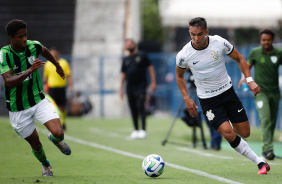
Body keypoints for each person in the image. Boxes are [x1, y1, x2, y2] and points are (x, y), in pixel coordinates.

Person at [175, 17, 270, 174]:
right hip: (208, 100)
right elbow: (179, 76)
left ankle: (228, 125)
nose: (196, 38)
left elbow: (239, 58)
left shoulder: (219, 42)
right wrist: (187, 98)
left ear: (207, 32)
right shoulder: (184, 54)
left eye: (199, 34)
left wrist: (250, 80)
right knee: (227, 132)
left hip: (227, 92)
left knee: (245, 132)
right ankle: (260, 162)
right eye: (192, 34)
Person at [0, 19, 71, 177]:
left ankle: (54, 139)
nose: (24, 39)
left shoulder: (33, 46)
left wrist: (57, 65)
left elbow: (44, 50)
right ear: (11, 37)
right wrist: (30, 70)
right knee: (36, 144)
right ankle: (45, 164)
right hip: (18, 108)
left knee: (59, 132)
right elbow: (9, 81)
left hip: (38, 100)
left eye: (25, 35)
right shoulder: (4, 54)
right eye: (20, 36)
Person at [239, 29, 282, 160]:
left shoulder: (278, 53)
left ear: (272, 40)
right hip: (260, 92)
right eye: (263, 40)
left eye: (268, 40)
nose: (266, 42)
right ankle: (269, 149)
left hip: (275, 92)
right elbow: (247, 67)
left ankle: (265, 150)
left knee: (272, 122)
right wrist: (243, 78)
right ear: (260, 40)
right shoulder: (255, 52)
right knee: (265, 118)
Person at [119, 39, 156, 139]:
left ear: (134, 45)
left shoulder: (142, 55)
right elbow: (123, 74)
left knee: (141, 107)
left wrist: (153, 82)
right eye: (127, 44)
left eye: (130, 44)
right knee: (133, 108)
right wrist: (121, 88)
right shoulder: (125, 59)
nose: (129, 46)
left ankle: (143, 130)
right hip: (130, 87)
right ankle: (136, 130)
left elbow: (150, 68)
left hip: (141, 86)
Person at [182, 68, 222, 150]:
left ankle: (216, 143)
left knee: (212, 119)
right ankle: (214, 143)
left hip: (210, 96)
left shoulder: (200, 68)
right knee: (209, 120)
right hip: (204, 98)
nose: (184, 68)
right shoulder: (191, 72)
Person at [43, 47, 73, 130]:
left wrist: (70, 86)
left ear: (58, 54)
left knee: (62, 106)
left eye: (54, 54)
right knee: (53, 106)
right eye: (51, 54)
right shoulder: (48, 64)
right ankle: (56, 122)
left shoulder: (64, 62)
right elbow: (46, 77)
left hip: (61, 88)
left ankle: (63, 122)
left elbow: (69, 75)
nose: (53, 55)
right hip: (52, 88)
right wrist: (45, 85)